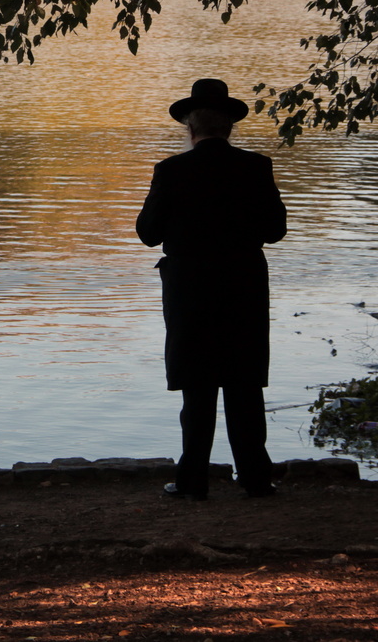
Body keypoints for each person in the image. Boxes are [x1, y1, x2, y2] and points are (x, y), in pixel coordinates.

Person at [135, 78, 287, 499]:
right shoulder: (257, 167)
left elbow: (148, 233)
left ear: (190, 128)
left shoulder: (171, 171)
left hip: (190, 288)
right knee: (244, 383)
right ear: (230, 128)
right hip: (244, 284)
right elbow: (276, 230)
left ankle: (192, 481)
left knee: (197, 385)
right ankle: (255, 478)